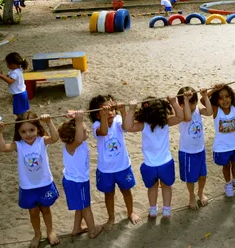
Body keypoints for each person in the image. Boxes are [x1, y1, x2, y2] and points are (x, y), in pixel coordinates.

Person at [0, 112, 60, 248]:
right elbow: (2, 147)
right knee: (33, 212)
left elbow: (55, 138)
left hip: (44, 183)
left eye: (32, 130)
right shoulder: (18, 145)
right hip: (27, 186)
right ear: (18, 132)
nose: (28, 134)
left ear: (37, 129)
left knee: (46, 209)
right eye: (23, 131)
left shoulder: (42, 141)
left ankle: (50, 231)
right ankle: (37, 234)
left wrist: (49, 122)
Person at [124, 97, 183, 218]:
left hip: (150, 165)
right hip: (165, 163)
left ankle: (153, 209)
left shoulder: (143, 125)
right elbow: (180, 117)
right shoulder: (166, 122)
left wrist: (131, 110)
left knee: (152, 187)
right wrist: (173, 102)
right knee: (166, 186)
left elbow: (128, 127)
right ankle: (166, 209)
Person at [88, 95, 140, 230]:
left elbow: (126, 127)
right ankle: (111, 218)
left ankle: (131, 212)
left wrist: (123, 111)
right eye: (104, 110)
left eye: (111, 109)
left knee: (126, 191)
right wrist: (104, 117)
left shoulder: (118, 120)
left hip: (123, 166)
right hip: (106, 169)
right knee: (109, 194)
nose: (109, 112)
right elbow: (104, 132)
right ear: (97, 115)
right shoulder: (96, 125)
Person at [59, 110, 103, 239]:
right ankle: (93, 230)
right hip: (76, 182)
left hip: (78, 180)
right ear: (76, 135)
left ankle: (76, 228)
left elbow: (78, 135)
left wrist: (76, 118)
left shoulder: (80, 142)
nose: (87, 131)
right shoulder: (72, 146)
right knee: (86, 206)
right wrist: (78, 121)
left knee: (81, 206)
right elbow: (78, 137)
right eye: (84, 130)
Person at [206, 79, 235, 197]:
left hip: (234, 144)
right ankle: (228, 183)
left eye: (227, 96)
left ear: (231, 97)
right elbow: (203, 99)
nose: (225, 100)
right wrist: (213, 90)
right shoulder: (216, 110)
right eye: (221, 98)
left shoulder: (234, 108)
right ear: (216, 100)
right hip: (222, 147)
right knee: (226, 167)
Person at [177, 87, 213, 209]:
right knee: (191, 178)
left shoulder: (198, 109)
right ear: (181, 104)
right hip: (187, 152)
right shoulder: (181, 113)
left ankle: (200, 193)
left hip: (200, 150)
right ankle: (191, 196)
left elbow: (209, 112)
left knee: (203, 175)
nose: (192, 105)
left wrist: (206, 96)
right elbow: (187, 117)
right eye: (188, 102)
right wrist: (186, 101)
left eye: (193, 102)